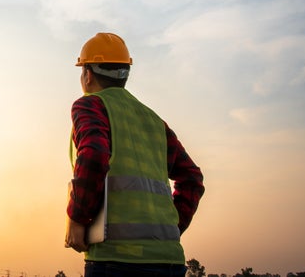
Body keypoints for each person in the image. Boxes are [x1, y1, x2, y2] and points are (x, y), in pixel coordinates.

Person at [65, 33, 204, 277]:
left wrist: (77, 218)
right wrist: (169, 228)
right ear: (125, 75)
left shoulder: (90, 105)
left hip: (116, 260)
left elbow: (94, 155)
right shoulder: (154, 121)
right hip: (169, 261)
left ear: (87, 74)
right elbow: (192, 177)